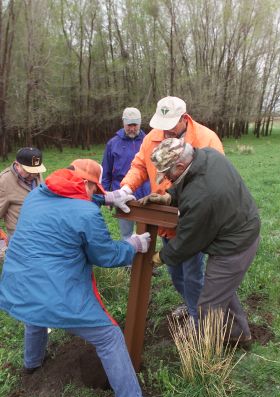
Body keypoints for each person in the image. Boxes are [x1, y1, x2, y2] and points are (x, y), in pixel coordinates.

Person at [0, 158, 160, 397]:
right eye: (94, 189)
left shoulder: (36, 195)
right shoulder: (86, 214)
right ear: (85, 183)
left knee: (34, 313)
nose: (95, 194)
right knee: (109, 337)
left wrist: (106, 198)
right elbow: (107, 256)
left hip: (20, 284)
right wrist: (133, 245)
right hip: (57, 293)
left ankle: (32, 364)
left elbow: (69, 200)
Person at [140, 138, 261, 342]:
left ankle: (206, 355)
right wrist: (168, 197)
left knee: (208, 306)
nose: (167, 179)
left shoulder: (202, 196)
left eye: (168, 174)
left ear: (180, 165)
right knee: (222, 290)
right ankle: (240, 334)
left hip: (234, 246)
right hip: (241, 227)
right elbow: (187, 183)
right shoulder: (208, 156)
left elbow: (187, 242)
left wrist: (159, 257)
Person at [120, 96, 224, 321]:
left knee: (192, 274)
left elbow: (215, 182)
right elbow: (139, 165)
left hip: (192, 222)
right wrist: (126, 188)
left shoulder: (207, 139)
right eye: (161, 126)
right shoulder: (152, 138)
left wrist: (183, 205)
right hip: (165, 219)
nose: (165, 132)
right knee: (175, 273)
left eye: (170, 126)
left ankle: (200, 324)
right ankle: (191, 305)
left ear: (184, 119)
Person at [101, 107, 150, 240]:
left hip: (146, 198)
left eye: (135, 125)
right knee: (126, 235)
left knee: (145, 234)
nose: (132, 128)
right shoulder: (113, 144)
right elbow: (106, 173)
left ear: (140, 123)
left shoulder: (149, 141)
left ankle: (143, 261)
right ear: (123, 123)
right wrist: (106, 196)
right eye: (129, 125)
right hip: (122, 196)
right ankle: (129, 261)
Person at [0, 147, 46, 241]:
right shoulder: (4, 181)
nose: (33, 175)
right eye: (29, 171)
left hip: (41, 229)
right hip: (19, 235)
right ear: (17, 165)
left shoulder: (37, 174)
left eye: (36, 171)